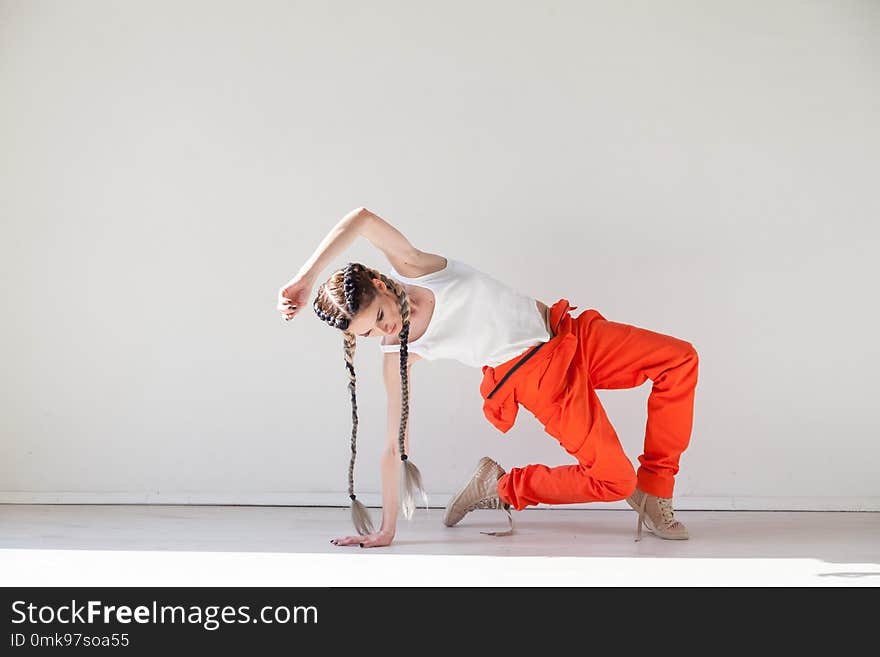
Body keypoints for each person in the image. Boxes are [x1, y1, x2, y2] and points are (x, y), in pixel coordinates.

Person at [277, 207, 699, 548]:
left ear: (379, 283)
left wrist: (305, 278)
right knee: (615, 480)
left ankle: (657, 489)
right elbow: (392, 446)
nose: (385, 331)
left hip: (566, 330)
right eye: (369, 333)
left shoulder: (420, 269)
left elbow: (361, 218)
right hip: (538, 377)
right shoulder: (398, 354)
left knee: (679, 360)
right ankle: (501, 485)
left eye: (381, 317)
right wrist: (386, 530)